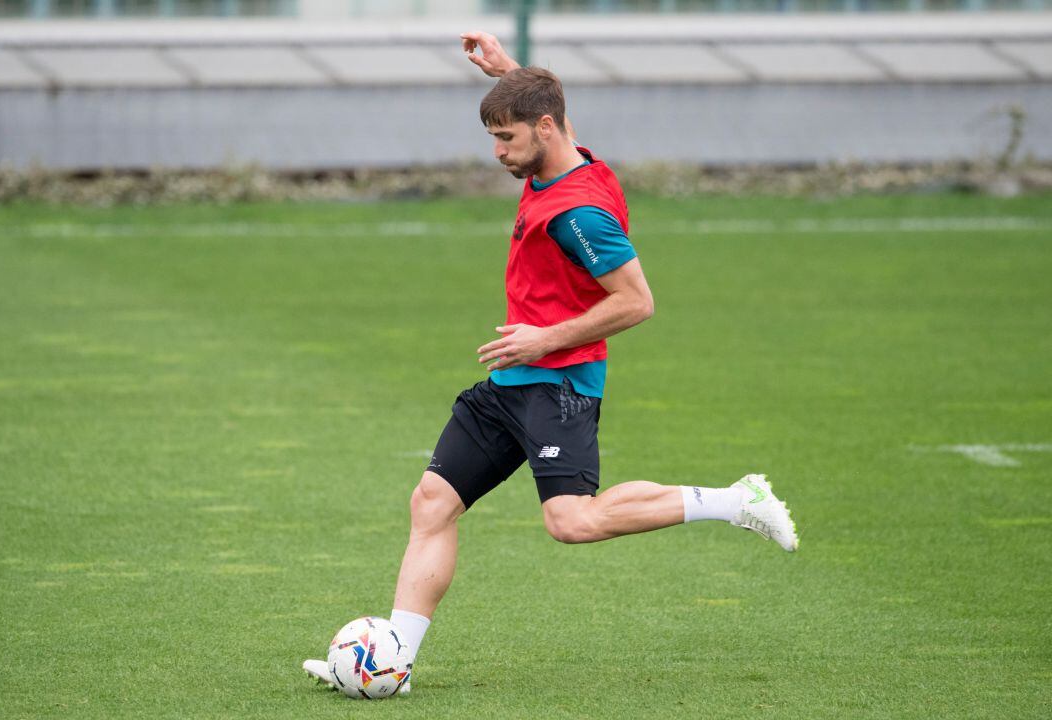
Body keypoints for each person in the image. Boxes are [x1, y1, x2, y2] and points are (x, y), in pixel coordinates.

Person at [305, 30, 798, 695]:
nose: (497, 153)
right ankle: (394, 658)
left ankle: (739, 500)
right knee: (431, 503)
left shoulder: (581, 215)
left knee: (571, 521)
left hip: (558, 383)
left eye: (506, 138)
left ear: (543, 129)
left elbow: (637, 302)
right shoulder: (565, 155)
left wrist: (545, 340)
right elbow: (551, 108)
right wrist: (509, 72)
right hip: (510, 382)